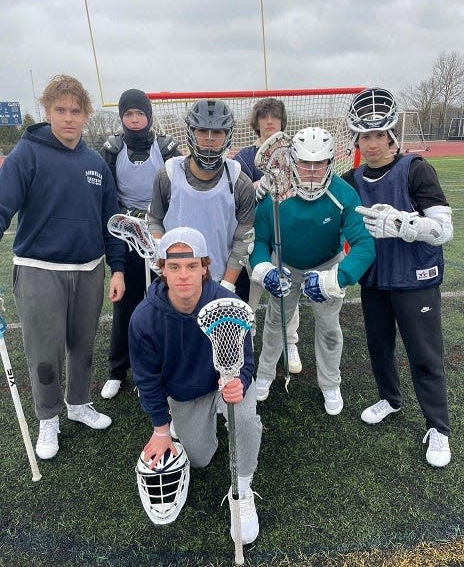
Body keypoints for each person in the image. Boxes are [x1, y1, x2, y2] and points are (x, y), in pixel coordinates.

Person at [0, 74, 125, 460]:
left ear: (86, 115)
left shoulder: (95, 163)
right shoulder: (27, 153)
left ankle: (77, 404)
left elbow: (112, 220)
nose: (68, 118)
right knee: (44, 351)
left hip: (89, 269)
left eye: (75, 111)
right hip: (39, 269)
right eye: (60, 110)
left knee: (82, 345)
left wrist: (117, 269)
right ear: (47, 111)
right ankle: (48, 419)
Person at [342, 87, 453, 467]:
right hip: (375, 280)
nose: (371, 144)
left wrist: (407, 224)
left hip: (416, 280)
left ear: (392, 136)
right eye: (364, 136)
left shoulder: (417, 169)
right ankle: (389, 399)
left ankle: (437, 427)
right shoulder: (352, 178)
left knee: (424, 356)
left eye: (378, 135)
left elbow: (445, 229)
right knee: (379, 348)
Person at [129, 227, 262, 543]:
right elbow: (147, 380)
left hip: (225, 382)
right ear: (162, 269)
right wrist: (160, 429)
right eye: (174, 267)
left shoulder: (226, 303)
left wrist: (239, 383)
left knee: (243, 417)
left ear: (205, 268)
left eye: (192, 266)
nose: (183, 275)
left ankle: (241, 492)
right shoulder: (144, 318)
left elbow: (246, 360)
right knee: (200, 459)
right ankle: (183, 424)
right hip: (186, 391)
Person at [250, 127, 375, 412]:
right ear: (293, 161)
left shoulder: (343, 194)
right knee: (274, 324)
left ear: (330, 163)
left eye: (319, 164)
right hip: (285, 264)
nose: (312, 171)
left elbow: (364, 245)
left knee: (329, 328)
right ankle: (265, 374)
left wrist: (337, 278)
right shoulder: (275, 193)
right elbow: (259, 240)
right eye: (305, 163)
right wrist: (265, 269)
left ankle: (330, 383)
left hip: (327, 266)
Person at [100, 89, 181, 400]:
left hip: (160, 228)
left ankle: (158, 366)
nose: (134, 120)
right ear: (122, 117)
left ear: (149, 116)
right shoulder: (112, 147)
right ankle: (117, 370)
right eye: (128, 114)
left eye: (139, 113)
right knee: (126, 302)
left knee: (163, 300)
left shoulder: (166, 146)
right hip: (125, 229)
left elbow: (178, 189)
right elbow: (108, 196)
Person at [147, 99, 255, 299]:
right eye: (202, 131)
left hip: (222, 279)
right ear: (191, 133)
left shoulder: (241, 182)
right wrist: (161, 251)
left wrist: (228, 285)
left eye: (218, 133)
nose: (209, 139)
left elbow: (243, 239)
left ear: (228, 135)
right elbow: (154, 219)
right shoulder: (168, 175)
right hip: (178, 279)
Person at [233, 98, 302, 373]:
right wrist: (255, 187)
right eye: (264, 116)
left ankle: (290, 342)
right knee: (252, 290)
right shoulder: (245, 157)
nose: (270, 121)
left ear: (282, 120)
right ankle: (245, 337)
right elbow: (237, 194)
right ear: (257, 121)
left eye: (275, 116)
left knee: (289, 291)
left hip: (287, 234)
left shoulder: (295, 153)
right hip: (255, 235)